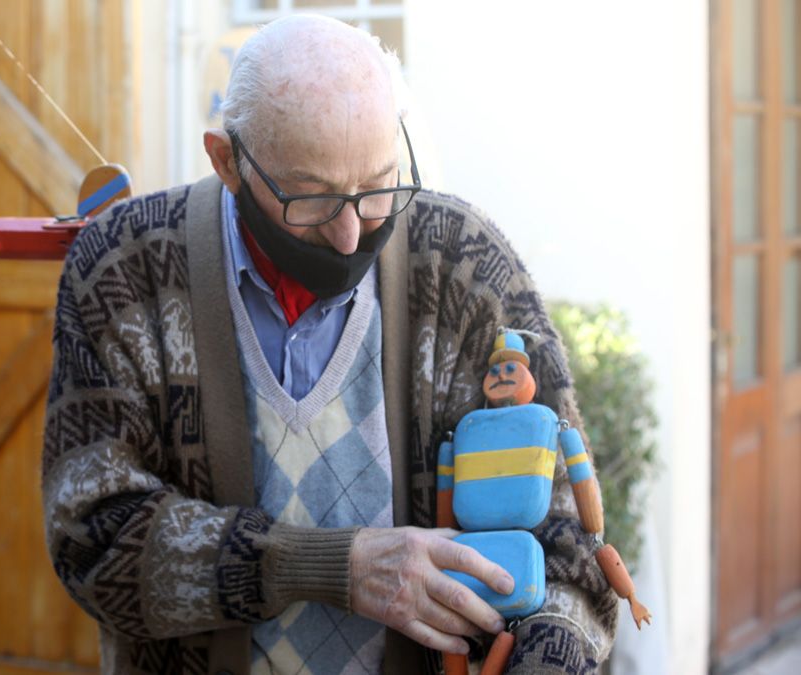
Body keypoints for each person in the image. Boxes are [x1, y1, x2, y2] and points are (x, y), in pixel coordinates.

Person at [43, 14, 616, 674]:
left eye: (377, 186)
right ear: (227, 161)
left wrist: (548, 655)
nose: (350, 235)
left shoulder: (467, 266)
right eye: (310, 199)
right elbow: (92, 540)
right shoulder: (123, 269)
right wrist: (329, 565)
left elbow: (573, 554)